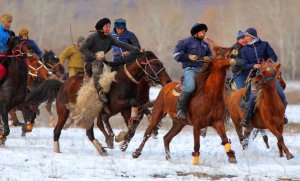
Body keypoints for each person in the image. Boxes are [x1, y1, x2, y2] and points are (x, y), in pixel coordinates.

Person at [80, 18, 141, 103]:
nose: (109, 29)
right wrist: (94, 56)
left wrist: (137, 50)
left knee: (114, 68)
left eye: (109, 27)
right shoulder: (93, 37)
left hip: (102, 62)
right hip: (91, 64)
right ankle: (99, 91)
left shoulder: (109, 38)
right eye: (107, 27)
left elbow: (122, 44)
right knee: (98, 64)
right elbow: (82, 48)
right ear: (101, 28)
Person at [240, 27, 288, 127]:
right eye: (245, 36)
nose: (245, 38)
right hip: (255, 77)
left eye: (247, 36)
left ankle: (282, 116)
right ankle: (247, 118)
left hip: (269, 76)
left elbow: (274, 57)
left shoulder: (264, 44)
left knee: (281, 94)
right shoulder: (244, 50)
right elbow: (244, 65)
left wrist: (267, 63)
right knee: (252, 97)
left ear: (252, 36)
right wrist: (253, 66)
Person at [173, 23, 213, 120]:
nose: (204, 34)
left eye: (204, 32)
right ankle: (180, 109)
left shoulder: (205, 45)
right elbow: (175, 55)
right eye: (202, 32)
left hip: (203, 70)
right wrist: (188, 56)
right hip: (190, 69)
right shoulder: (184, 42)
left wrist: (209, 58)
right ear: (196, 32)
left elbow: (212, 56)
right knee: (190, 87)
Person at [0, 13, 13, 81]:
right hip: (2, 55)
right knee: (2, 70)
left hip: (3, 56)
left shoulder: (8, 33)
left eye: (10, 22)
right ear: (3, 21)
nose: (9, 24)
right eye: (8, 22)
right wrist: (7, 50)